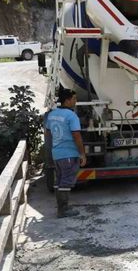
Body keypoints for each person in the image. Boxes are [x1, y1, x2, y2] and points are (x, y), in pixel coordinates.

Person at [44, 88, 86, 218]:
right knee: (66, 181)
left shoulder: (52, 114)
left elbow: (48, 132)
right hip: (69, 153)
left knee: (60, 180)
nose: (75, 101)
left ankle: (62, 208)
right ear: (67, 100)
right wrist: (82, 154)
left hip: (57, 153)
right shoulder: (71, 116)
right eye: (74, 98)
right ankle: (63, 210)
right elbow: (76, 135)